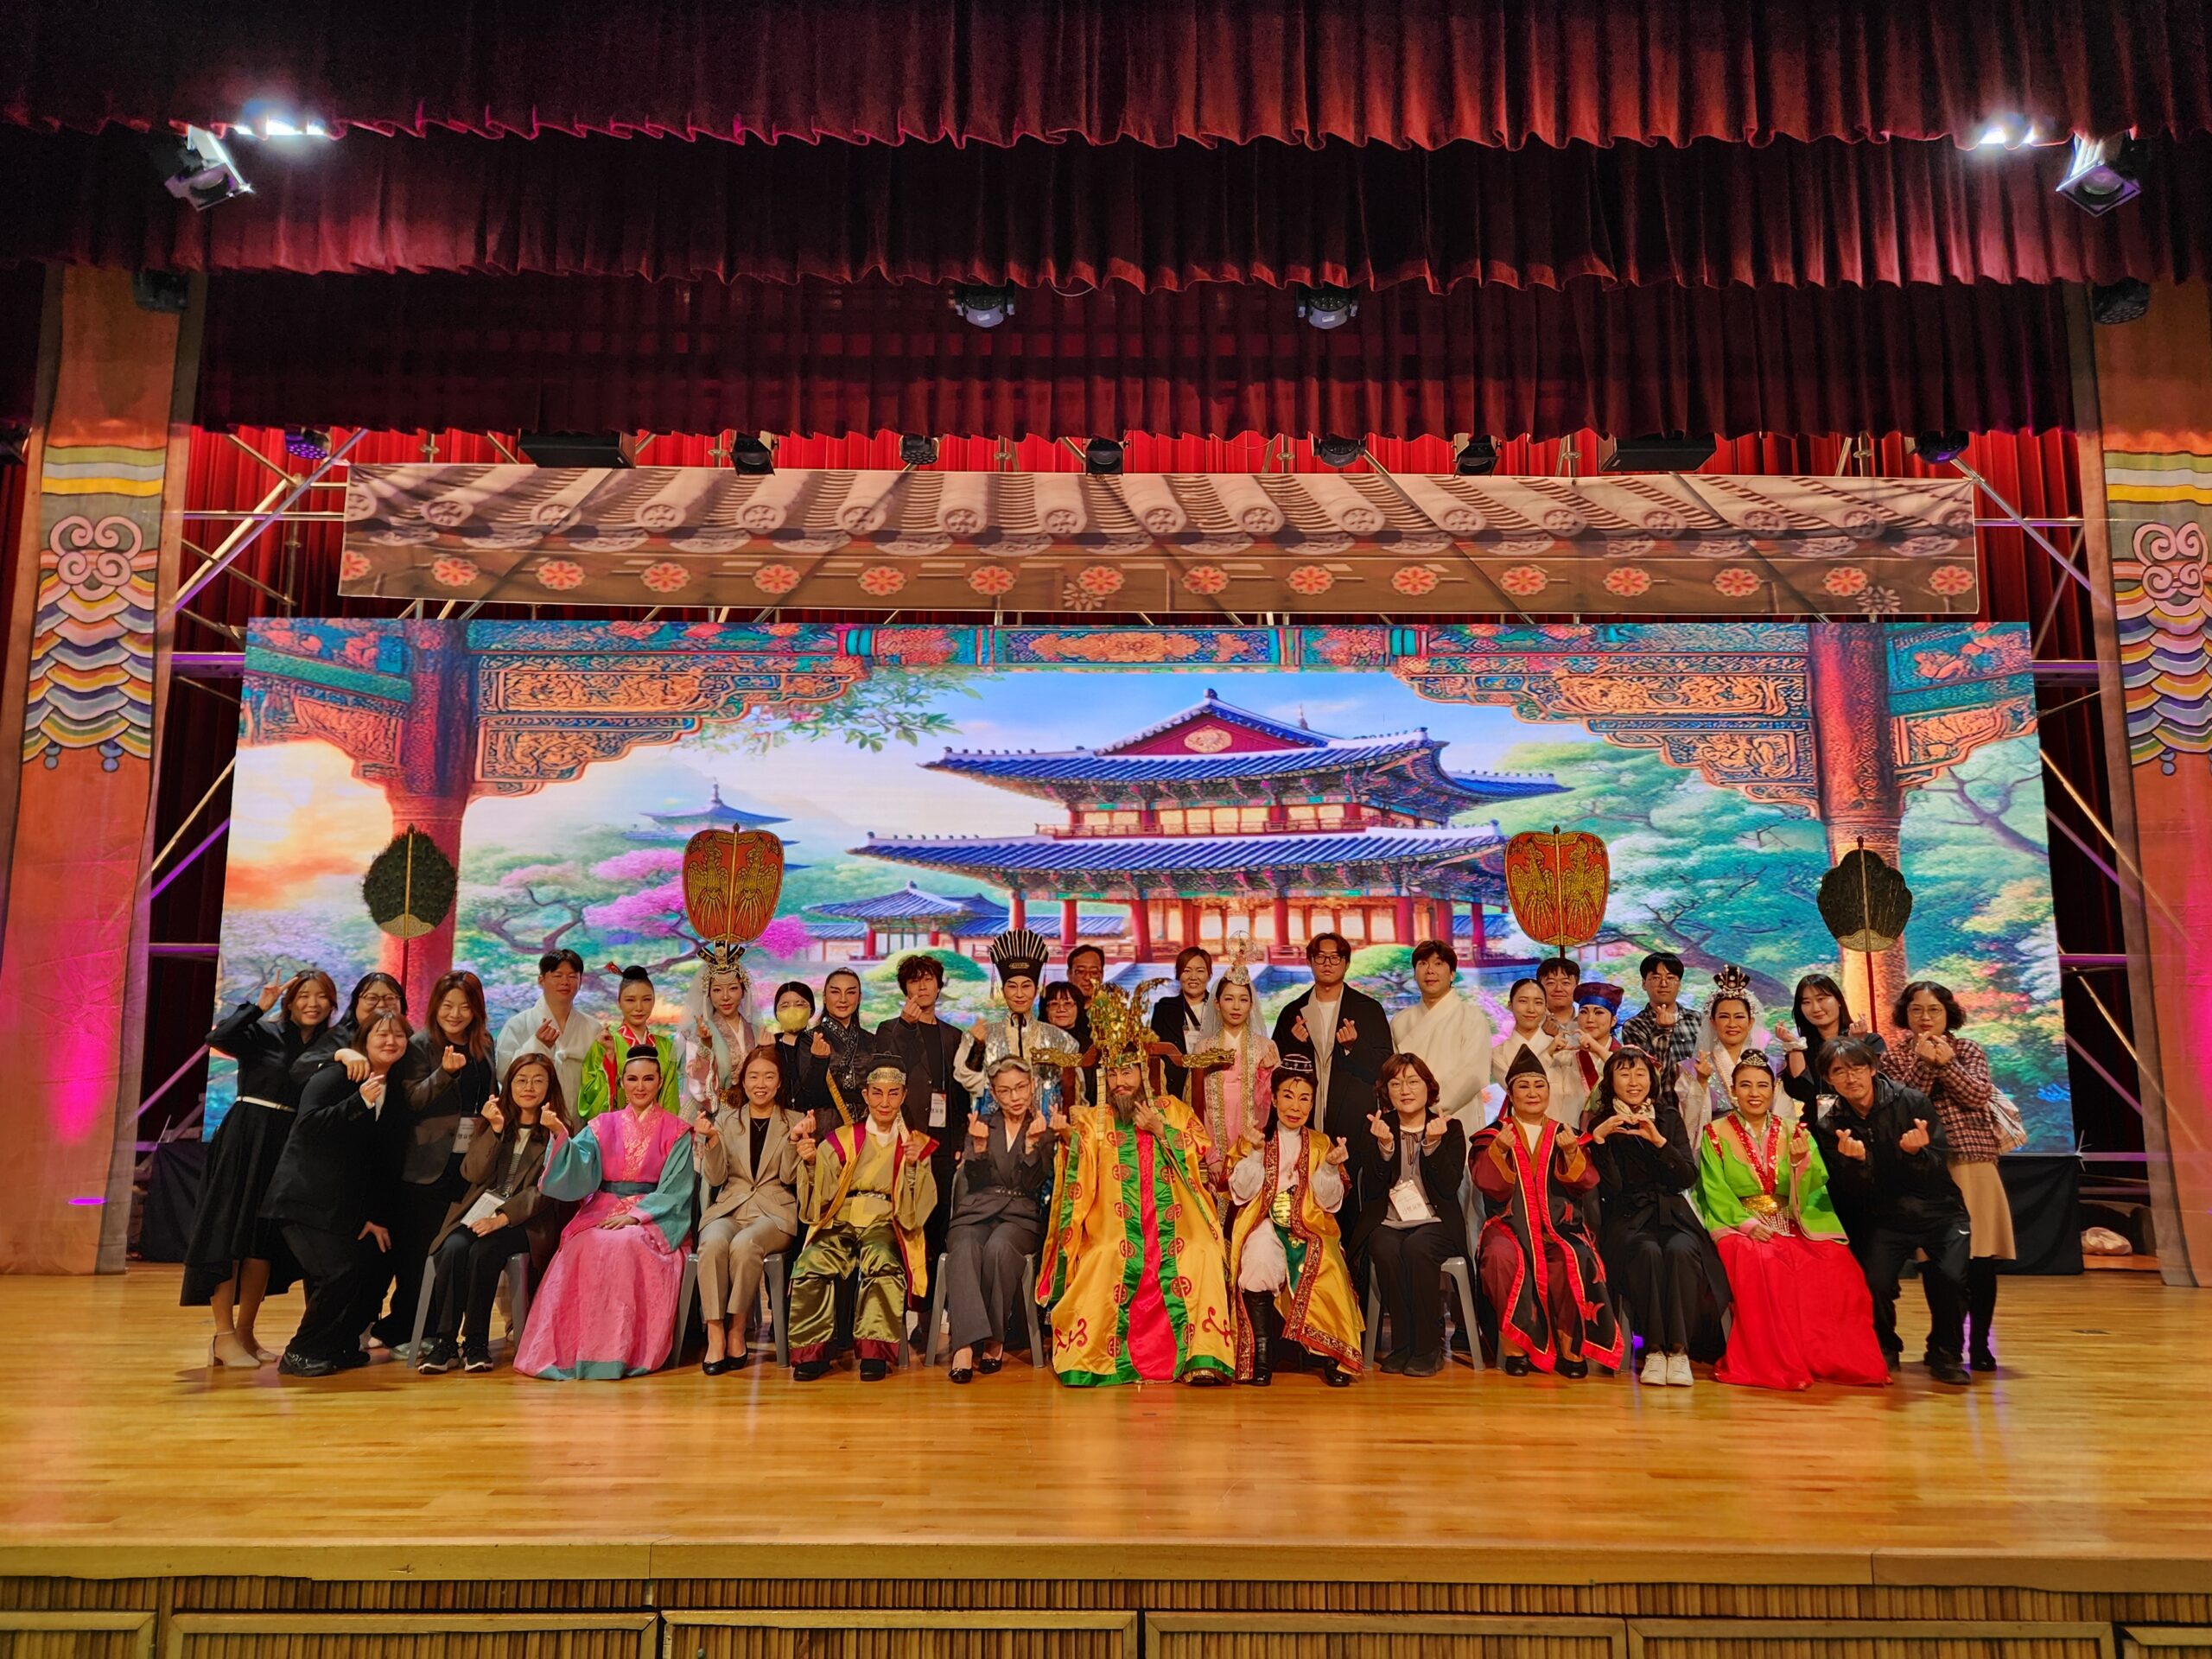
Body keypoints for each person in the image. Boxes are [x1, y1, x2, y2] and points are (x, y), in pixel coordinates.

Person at [1037, 984, 1235, 1386]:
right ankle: (1100, 1358)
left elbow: (1199, 1153)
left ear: (1143, 1072)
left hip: (1175, 1223)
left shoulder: (1172, 1110)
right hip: (1114, 1225)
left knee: (1199, 1252)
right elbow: (1080, 1169)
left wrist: (1161, 1131)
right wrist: (1067, 1138)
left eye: (1126, 1072)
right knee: (1106, 1254)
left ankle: (1201, 1357)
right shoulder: (1094, 1119)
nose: (1119, 1082)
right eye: (1112, 1073)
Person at [1696, 1053, 1888, 1390]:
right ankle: (1778, 1363)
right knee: (1766, 1260)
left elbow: (1816, 1183)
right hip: (1738, 1222)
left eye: (1762, 1085)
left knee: (1835, 1261)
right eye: (1745, 1085)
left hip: (1792, 1218)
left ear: (1774, 1090)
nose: (1754, 1093)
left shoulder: (1795, 1131)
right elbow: (1713, 1188)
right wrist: (1746, 1224)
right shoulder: (1714, 1133)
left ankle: (1828, 1358)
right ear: (1733, 1091)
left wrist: (1800, 1162)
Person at [183, 969, 335, 1370]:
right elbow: (218, 1038)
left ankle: (247, 1332)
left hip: (287, 1144)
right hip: (246, 1137)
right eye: (304, 995)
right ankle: (223, 1336)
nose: (313, 1003)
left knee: (263, 1243)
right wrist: (258, 1006)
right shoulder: (264, 1032)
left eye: (321, 996)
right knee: (228, 1234)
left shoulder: (330, 1044)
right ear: (290, 1001)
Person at [515, 1046, 696, 1380]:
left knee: (624, 1244)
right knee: (583, 1246)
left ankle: (620, 1350)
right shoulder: (602, 1125)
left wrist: (636, 1216)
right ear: (622, 1082)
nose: (640, 1086)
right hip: (601, 1207)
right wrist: (559, 1135)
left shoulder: (677, 1130)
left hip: (653, 1215)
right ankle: (572, 1351)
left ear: (660, 1082)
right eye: (633, 1079)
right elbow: (578, 1162)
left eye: (648, 1079)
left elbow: (677, 1188)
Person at [1808, 1037, 1973, 1385]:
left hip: (1939, 1209)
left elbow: (1939, 1162)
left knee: (1951, 1278)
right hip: (1884, 1216)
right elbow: (1847, 1191)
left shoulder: (1911, 1101)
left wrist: (1917, 1153)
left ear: (1872, 1068)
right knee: (1875, 1283)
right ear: (1829, 1079)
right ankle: (1885, 1346)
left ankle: (1945, 1353)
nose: (1851, 1077)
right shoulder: (1830, 1122)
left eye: (1857, 1068)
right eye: (1839, 1072)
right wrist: (1855, 1164)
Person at [261, 1009, 410, 1378]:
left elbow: (379, 1160)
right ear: (364, 1040)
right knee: (337, 1272)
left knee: (367, 1266)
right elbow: (308, 1125)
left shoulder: (394, 1090)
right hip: (303, 1197)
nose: (391, 1042)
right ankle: (300, 1352)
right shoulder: (336, 1075)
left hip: (341, 1205)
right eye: (381, 1035)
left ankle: (338, 1345)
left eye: (398, 1035)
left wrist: (374, 1216)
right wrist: (358, 1102)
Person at [1881, 980, 2015, 1371]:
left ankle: (1980, 1344)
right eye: (1916, 1010)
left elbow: (1976, 1095)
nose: (1925, 1018)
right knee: (1937, 1262)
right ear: (1905, 1015)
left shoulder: (1968, 1049)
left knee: (1981, 1259)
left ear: (1948, 1013)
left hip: (1974, 1162)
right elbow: (1905, 1105)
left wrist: (1947, 1063)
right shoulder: (1894, 1058)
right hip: (1927, 1167)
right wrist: (1926, 1063)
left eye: (1934, 1010)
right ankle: (1943, 1343)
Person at [1471, 1046, 1623, 1377]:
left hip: (1558, 1226)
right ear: (1511, 1094)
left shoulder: (1565, 1134)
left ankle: (1571, 1350)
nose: (1532, 1093)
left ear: (1548, 1092)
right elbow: (1488, 1184)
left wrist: (1571, 1154)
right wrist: (1500, 1150)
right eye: (1523, 1086)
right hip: (1509, 1226)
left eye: (1539, 1086)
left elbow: (1586, 1182)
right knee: (1500, 1256)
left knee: (1576, 1255)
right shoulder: (1492, 1136)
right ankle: (1516, 1349)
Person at [1582, 1047, 1728, 1388]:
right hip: (1627, 1218)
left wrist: (1659, 1142)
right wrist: (1599, 1142)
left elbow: (1686, 1178)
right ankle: (1653, 1350)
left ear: (1652, 1079)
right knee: (1646, 1252)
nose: (1633, 1081)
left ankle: (1678, 1351)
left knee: (1680, 1251)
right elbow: (1613, 1189)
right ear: (1611, 1082)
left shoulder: (1668, 1117)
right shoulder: (1601, 1122)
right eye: (1624, 1074)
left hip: (1673, 1215)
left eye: (1640, 1074)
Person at [417, 1053, 570, 1374]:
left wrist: (502, 1217)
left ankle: (476, 1342)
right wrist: (496, 1131)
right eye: (521, 1080)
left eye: (538, 1080)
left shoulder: (559, 1129)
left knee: (484, 1250)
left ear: (550, 1086)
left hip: (526, 1222)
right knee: (454, 1246)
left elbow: (547, 1188)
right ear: (508, 1085)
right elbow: (472, 1173)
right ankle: (446, 1343)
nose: (528, 1087)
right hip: (480, 1210)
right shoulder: (495, 1121)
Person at [788, 1058, 939, 1381]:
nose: (885, 1102)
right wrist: (811, 1163)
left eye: (893, 1093)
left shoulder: (913, 1143)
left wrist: (914, 1167)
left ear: (903, 1096)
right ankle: (813, 1353)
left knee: (882, 1258)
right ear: (866, 1095)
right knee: (812, 1262)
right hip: (841, 1218)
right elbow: (821, 1199)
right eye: (877, 1093)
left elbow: (916, 1210)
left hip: (886, 1220)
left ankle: (874, 1352)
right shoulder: (842, 1138)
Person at [376, 969, 497, 1350]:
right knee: (418, 1254)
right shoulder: (420, 1045)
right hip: (428, 1165)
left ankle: (441, 1332)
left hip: (471, 1164)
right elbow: (412, 1100)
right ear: (435, 1006)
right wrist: (444, 1073)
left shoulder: (484, 1043)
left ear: (476, 1010)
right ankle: (407, 1331)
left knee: (452, 1251)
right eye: (447, 1005)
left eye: (464, 1006)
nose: (455, 1014)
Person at [1226, 1058, 1360, 1386]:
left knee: (1327, 1264)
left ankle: (1331, 1354)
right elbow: (1241, 1193)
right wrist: (1255, 1153)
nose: (1295, 1107)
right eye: (1287, 1096)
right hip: (1264, 1221)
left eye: (1304, 1098)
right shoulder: (1256, 1138)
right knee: (1257, 1261)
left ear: (1313, 1103)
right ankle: (1260, 1357)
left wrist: (1329, 1167)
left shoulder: (1321, 1143)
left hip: (1309, 1224)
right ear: (1273, 1099)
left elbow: (1328, 1202)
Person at [874, 953, 972, 1338]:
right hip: (904, 1143)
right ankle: (898, 1319)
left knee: (938, 1229)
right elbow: (884, 1069)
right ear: (905, 989)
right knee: (905, 1230)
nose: (922, 987)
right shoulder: (890, 1029)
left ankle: (932, 1320)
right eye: (914, 981)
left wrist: (960, 1141)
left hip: (943, 1146)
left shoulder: (953, 1036)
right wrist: (906, 1026)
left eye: (928, 979)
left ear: (939, 985)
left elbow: (960, 1094)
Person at [1350, 1053, 1466, 1377]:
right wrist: (1384, 1149)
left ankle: (1428, 1347)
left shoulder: (1450, 1128)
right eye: (1396, 1083)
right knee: (1384, 1248)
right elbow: (1371, 1190)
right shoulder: (1377, 1127)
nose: (1405, 1090)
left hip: (1436, 1222)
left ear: (1429, 1087)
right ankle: (1402, 1344)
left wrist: (1433, 1145)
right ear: (1386, 1091)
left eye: (1413, 1081)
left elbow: (1448, 1187)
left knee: (1418, 1248)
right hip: (1389, 1220)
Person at [943, 1055, 1056, 1382]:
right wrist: (978, 1148)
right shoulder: (982, 1124)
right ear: (993, 1093)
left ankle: (995, 1338)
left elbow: (1034, 1186)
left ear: (1032, 1086)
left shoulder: (1042, 1127)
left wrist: (1032, 1147)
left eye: (1021, 1088)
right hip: (978, 1210)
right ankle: (964, 1346)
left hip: (1020, 1216)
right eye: (1005, 1091)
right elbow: (974, 1181)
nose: (1015, 1097)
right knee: (965, 1246)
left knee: (999, 1248)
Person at [692, 1045, 803, 1374]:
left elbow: (789, 1177)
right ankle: (715, 1332)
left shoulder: (794, 1121)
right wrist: (712, 1142)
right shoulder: (726, 1121)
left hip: (773, 1214)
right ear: (743, 1081)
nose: (761, 1084)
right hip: (731, 1206)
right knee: (712, 1242)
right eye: (753, 1077)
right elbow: (716, 1178)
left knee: (745, 1244)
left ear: (779, 1082)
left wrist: (795, 1142)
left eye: (769, 1077)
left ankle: (737, 1328)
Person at [1270, 932, 1392, 1146]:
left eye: (1335, 957)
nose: (1327, 963)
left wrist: (1353, 1048)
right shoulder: (1292, 1012)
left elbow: (1385, 1067)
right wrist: (1294, 1044)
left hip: (1355, 1120)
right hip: (1303, 1120)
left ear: (1347, 964)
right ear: (1309, 962)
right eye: (1320, 957)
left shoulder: (1369, 1010)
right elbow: (1276, 1071)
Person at [956, 930, 1078, 1118]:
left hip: (1047, 1131)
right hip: (993, 1131)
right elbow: (968, 1081)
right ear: (1002, 990)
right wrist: (978, 1048)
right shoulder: (981, 1035)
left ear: (1037, 989)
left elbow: (1075, 1097)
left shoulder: (1063, 1040)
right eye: (1012, 986)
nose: (1019, 994)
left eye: (1026, 986)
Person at [1187, 951, 1278, 1194]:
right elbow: (1196, 1106)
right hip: (1213, 1145)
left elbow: (1271, 1106)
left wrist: (1266, 1074)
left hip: (1254, 1145)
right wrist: (1211, 1155)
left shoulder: (1265, 1047)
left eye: (1243, 999)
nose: (1236, 1006)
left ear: (1251, 1004)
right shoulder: (1204, 1049)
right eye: (1229, 999)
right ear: (1217, 1004)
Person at [1389, 940, 1492, 1146]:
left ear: (1452, 974)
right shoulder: (1401, 1021)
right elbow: (1393, 1074)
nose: (1430, 971)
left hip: (1456, 1115)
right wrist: (1412, 1108)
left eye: (1438, 964)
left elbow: (1473, 1073)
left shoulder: (1471, 1017)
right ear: (1415, 973)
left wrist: (1430, 1108)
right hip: (1409, 1119)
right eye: (1423, 964)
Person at [495, 948, 595, 1113]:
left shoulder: (593, 1027)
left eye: (572, 976)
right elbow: (504, 1074)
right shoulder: (518, 1024)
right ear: (541, 980)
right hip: (530, 1119)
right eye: (557, 976)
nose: (565, 982)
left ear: (580, 981)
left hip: (578, 1120)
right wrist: (537, 1045)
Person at [577, 965, 682, 1121]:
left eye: (646, 999)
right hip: (617, 1129)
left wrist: (665, 1131)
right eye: (630, 1000)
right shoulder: (606, 1043)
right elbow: (590, 1098)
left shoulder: (665, 1046)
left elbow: (670, 1100)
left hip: (657, 1129)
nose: (639, 1008)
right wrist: (610, 1057)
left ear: (654, 1001)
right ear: (619, 1003)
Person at [1780, 972, 1883, 1109]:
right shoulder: (1802, 1048)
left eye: (1821, 999)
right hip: (1817, 1122)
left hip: (1864, 1119)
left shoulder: (1870, 1041)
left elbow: (1874, 1088)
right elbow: (1803, 1093)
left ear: (1839, 1000)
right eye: (1806, 1002)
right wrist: (1794, 1048)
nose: (1816, 1008)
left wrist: (1855, 1044)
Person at [289, 971, 405, 1088]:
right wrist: (340, 1054)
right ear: (355, 1004)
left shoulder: (406, 1040)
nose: (381, 1005)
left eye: (390, 998)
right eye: (371, 998)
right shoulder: (339, 1036)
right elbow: (299, 1070)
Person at [1688, 971, 1765, 1140]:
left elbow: (1782, 1117)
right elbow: (1688, 1123)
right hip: (1713, 1145)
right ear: (1713, 1022)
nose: (1732, 1024)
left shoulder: (1771, 1066)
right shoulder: (1690, 1068)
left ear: (1750, 1022)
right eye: (1724, 1017)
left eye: (1739, 1017)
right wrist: (1701, 1082)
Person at [1490, 978, 1577, 1123]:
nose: (1531, 1009)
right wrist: (1547, 1054)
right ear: (1510, 1005)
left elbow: (1573, 1098)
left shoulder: (1562, 1049)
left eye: (1538, 1003)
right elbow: (1516, 1086)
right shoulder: (1498, 1054)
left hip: (1560, 1130)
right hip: (1518, 1132)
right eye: (1523, 1001)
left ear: (1546, 1007)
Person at [1618, 952, 1702, 1103]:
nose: (1664, 983)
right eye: (1656, 978)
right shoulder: (1634, 1025)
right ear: (1644, 983)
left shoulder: (1698, 1020)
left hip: (1700, 1102)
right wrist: (1662, 1031)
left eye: (1671, 978)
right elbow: (1647, 1072)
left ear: (1679, 984)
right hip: (1660, 1106)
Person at [680, 957, 758, 1118]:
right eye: (717, 990)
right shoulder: (697, 1032)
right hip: (712, 1112)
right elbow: (696, 1079)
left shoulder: (755, 1031)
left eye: (733, 988)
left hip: (751, 1109)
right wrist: (705, 1046)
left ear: (743, 990)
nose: (725, 997)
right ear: (708, 994)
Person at [798, 965, 870, 1134]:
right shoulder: (809, 1039)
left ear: (859, 997)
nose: (843, 999)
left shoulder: (871, 1040)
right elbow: (808, 1093)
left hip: (866, 1124)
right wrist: (819, 1061)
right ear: (824, 997)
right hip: (825, 1125)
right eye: (835, 992)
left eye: (850, 992)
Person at [1150, 945, 1218, 1099]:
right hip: (1173, 1091)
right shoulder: (1164, 1008)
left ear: (1209, 975)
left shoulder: (1219, 1008)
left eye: (1200, 971)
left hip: (1212, 1089)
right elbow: (1154, 1052)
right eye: (1187, 970)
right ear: (1178, 974)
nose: (1193, 977)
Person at [763, 981, 818, 1108]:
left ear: (811, 1011)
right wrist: (765, 1053)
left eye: (799, 1004)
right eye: (785, 1006)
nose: (792, 1010)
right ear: (776, 1014)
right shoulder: (769, 1045)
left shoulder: (820, 1045)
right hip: (777, 1113)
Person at [1566, 982, 1622, 1103]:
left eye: (1599, 1013)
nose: (1590, 1019)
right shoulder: (1567, 1055)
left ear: (1613, 1020)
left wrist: (1598, 1049)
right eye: (1584, 1012)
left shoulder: (1628, 1055)